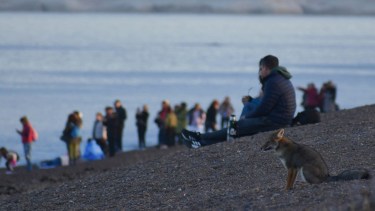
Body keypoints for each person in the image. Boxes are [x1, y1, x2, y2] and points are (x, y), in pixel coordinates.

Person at [181, 55, 296, 148]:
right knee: (239, 129)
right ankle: (202, 141)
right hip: (281, 119)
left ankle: (200, 138)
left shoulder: (273, 81)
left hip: (275, 121)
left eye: (261, 69)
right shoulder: (281, 78)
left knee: (236, 127)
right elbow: (266, 105)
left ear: (265, 68)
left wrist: (248, 117)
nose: (260, 72)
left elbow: (265, 108)